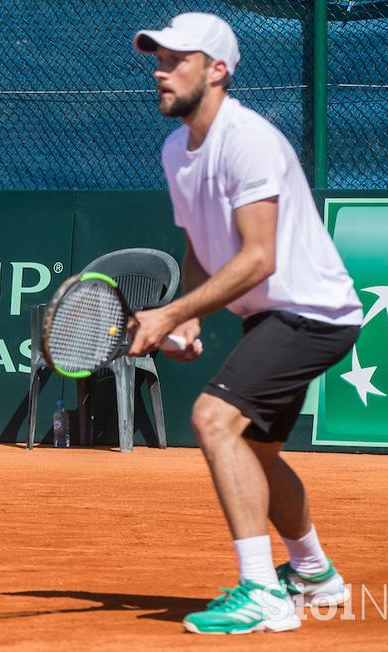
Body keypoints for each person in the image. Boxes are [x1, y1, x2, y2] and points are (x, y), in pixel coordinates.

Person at [130, 13, 363, 634]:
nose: (160, 71)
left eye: (177, 60)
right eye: (157, 58)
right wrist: (190, 320)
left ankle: (262, 593)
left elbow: (260, 255)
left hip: (312, 312)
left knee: (212, 420)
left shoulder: (248, 139)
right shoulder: (176, 149)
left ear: (218, 70)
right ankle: (315, 574)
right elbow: (201, 244)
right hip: (273, 315)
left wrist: (172, 312)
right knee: (256, 450)